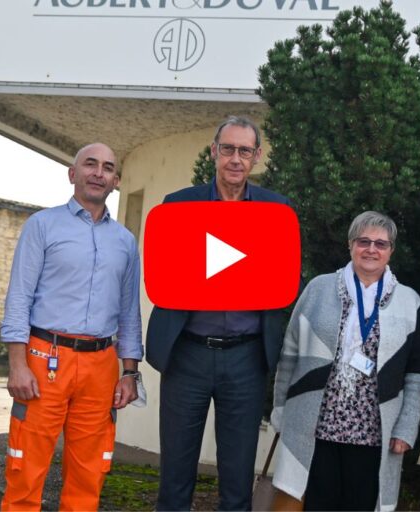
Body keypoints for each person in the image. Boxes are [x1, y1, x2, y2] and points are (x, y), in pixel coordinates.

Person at [146, 116, 291, 511]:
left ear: (257, 156)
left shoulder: (277, 210)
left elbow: (282, 277)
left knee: (238, 479)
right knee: (175, 475)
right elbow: (164, 270)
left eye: (245, 151)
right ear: (214, 152)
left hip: (246, 357)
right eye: (228, 149)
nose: (235, 159)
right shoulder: (179, 206)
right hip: (187, 354)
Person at [0, 142, 142, 511]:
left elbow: (129, 312)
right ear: (72, 173)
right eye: (90, 164)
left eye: (107, 167)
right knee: (25, 468)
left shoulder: (125, 242)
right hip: (44, 357)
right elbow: (19, 298)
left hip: (101, 365)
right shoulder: (42, 226)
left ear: (116, 180)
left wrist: (130, 372)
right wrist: (17, 364)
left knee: (89, 475)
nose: (99, 173)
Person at [270, 211, 420, 511]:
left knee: (361, 504)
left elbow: (416, 373)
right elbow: (289, 353)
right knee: (315, 504)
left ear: (391, 250)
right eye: (363, 241)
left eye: (381, 244)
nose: (371, 249)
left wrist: (406, 427)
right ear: (350, 245)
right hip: (315, 426)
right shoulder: (319, 288)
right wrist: (280, 409)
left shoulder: (410, 301)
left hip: (373, 432)